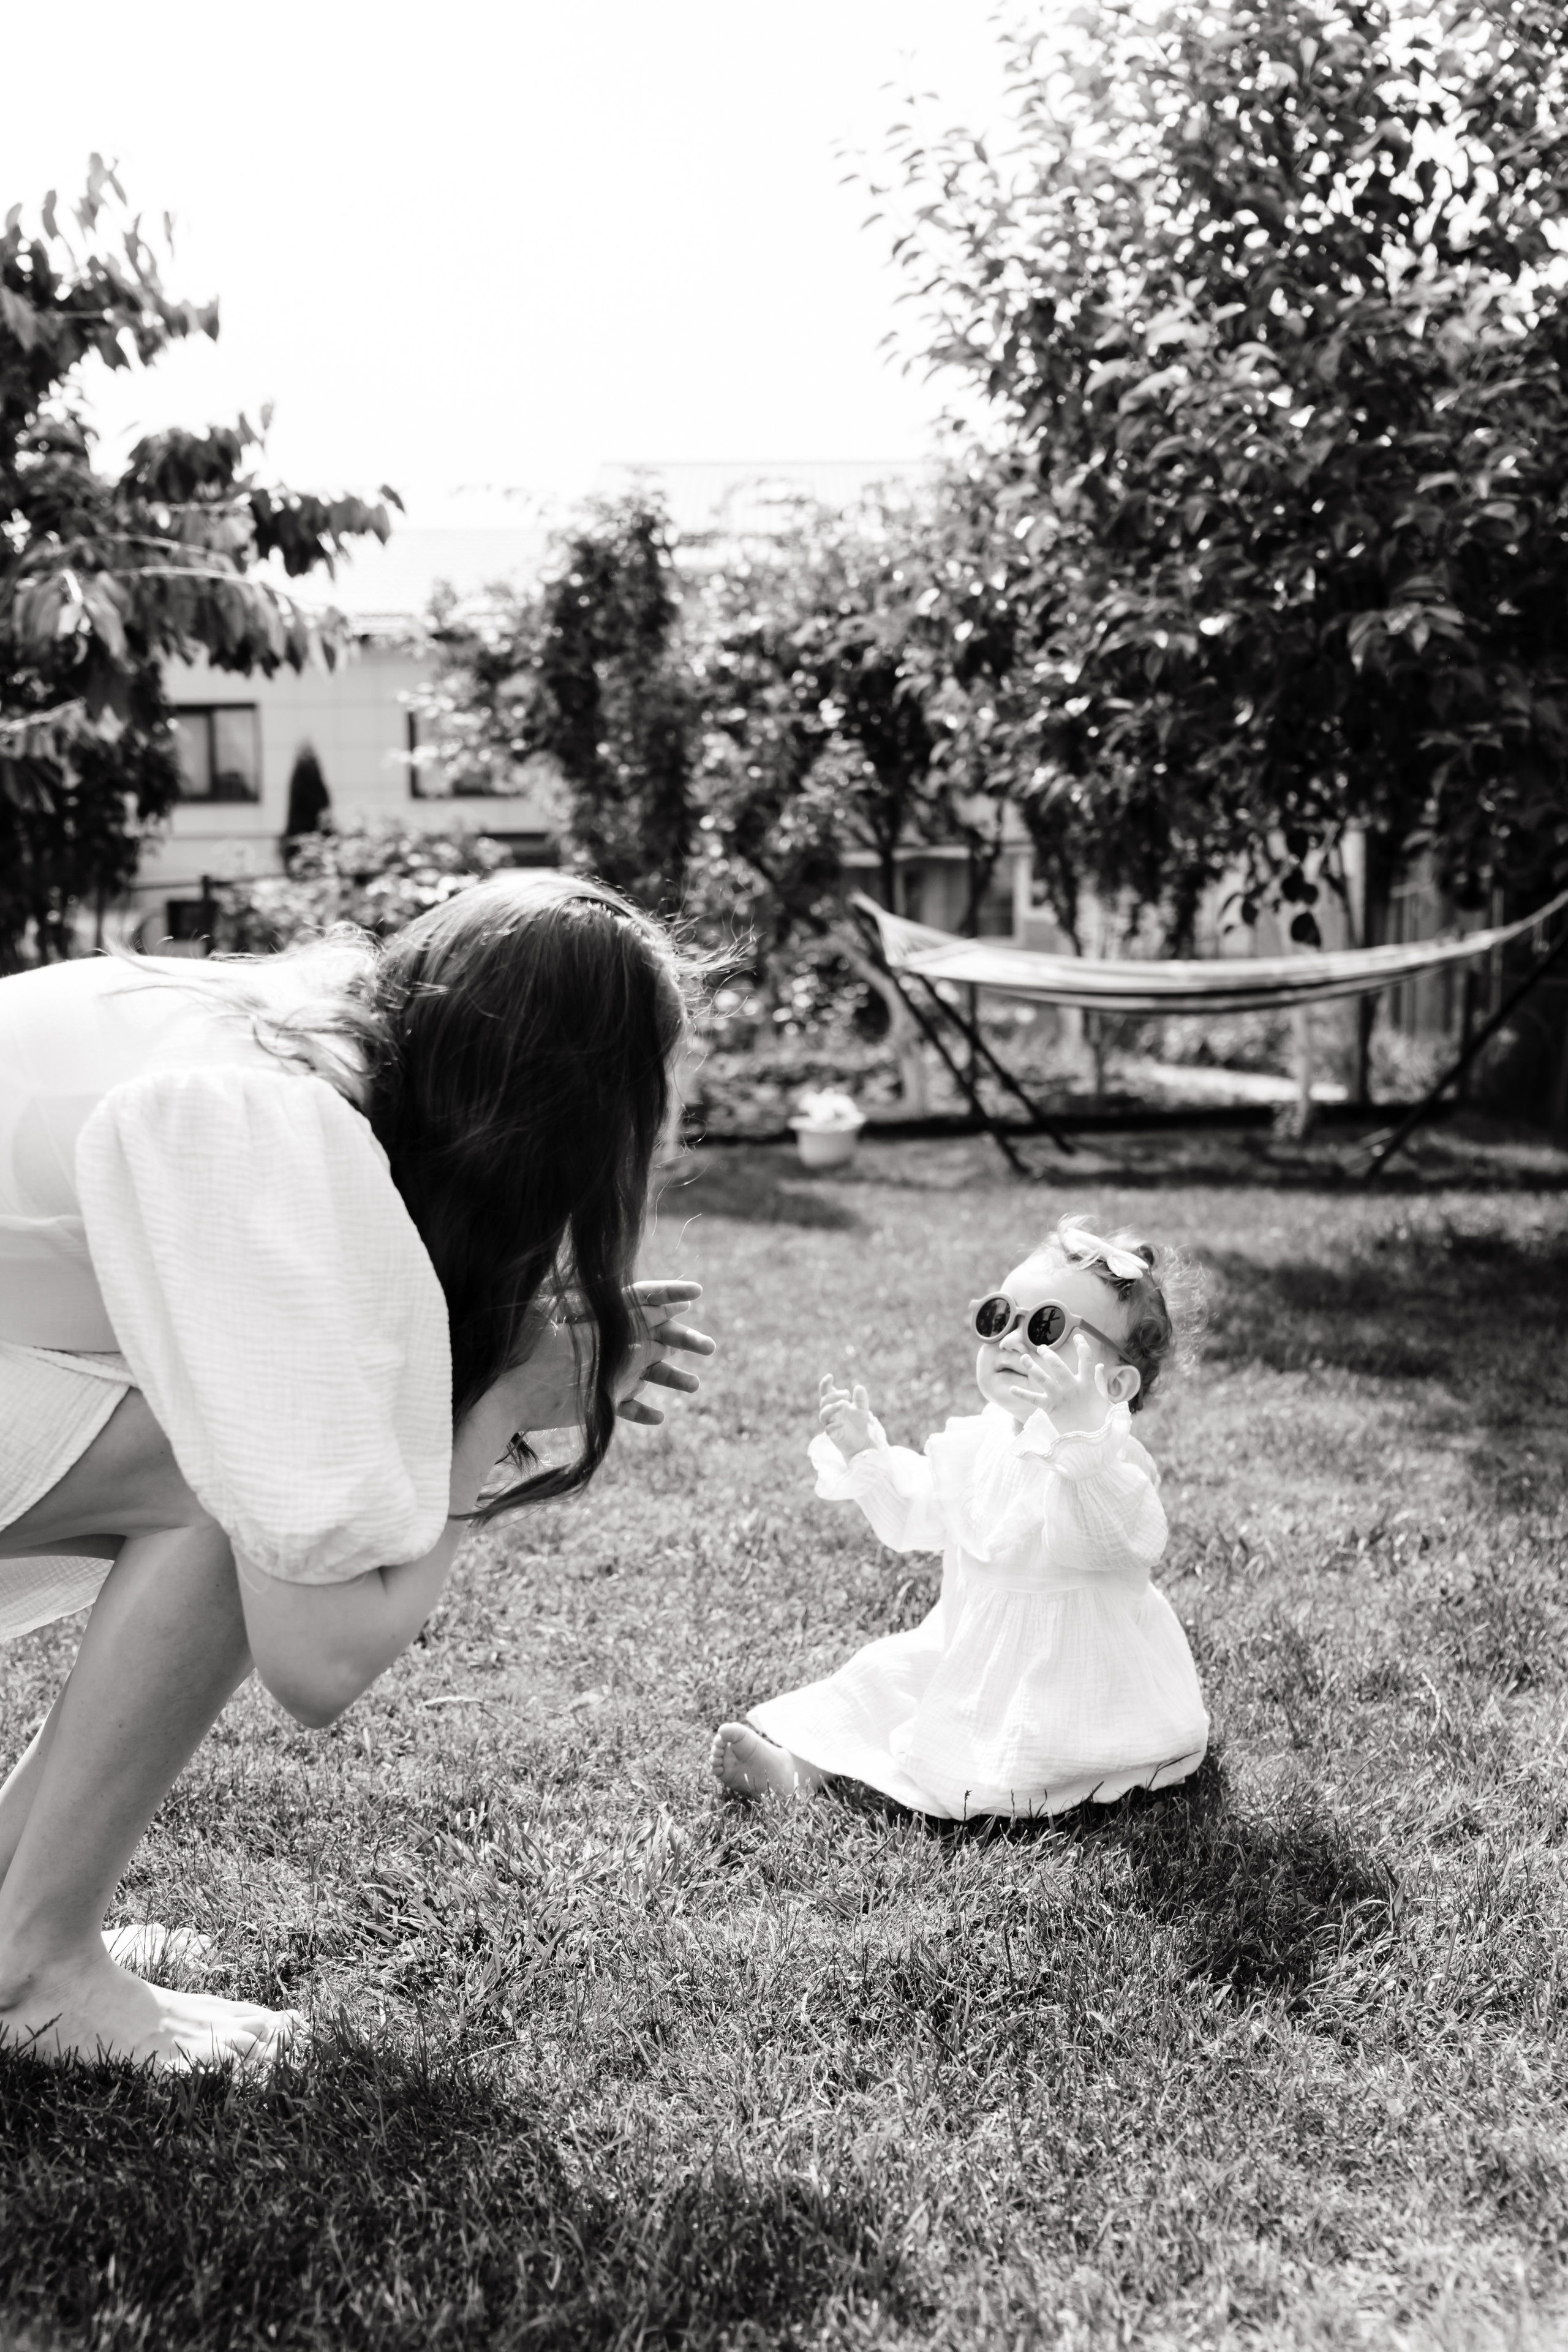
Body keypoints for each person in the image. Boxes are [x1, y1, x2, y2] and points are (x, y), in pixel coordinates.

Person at [0, 874, 714, 2070]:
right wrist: (499, 1404)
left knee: (222, 1443)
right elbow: (317, 1655)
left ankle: (16, 1924)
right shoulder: (265, 1133)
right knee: (213, 1472)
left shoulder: (301, 1038)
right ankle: (35, 1959)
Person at [712, 1214, 1206, 1819]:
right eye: (1000, 1317)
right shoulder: (979, 1443)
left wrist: (1074, 1440)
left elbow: (1109, 1542)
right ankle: (798, 1771)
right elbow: (916, 1517)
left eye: (1048, 1327)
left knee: (1007, 1747)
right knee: (884, 1676)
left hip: (1072, 1679)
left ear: (1116, 1384)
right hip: (969, 1648)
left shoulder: (1107, 1467)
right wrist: (868, 1456)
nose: (1013, 1341)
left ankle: (984, 1770)